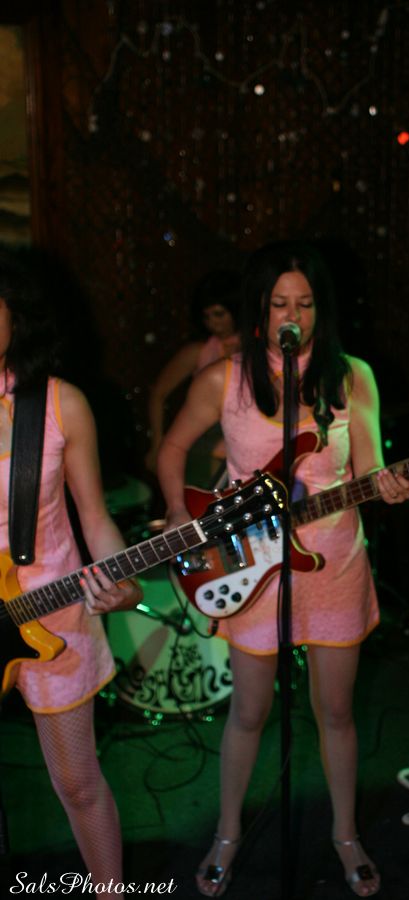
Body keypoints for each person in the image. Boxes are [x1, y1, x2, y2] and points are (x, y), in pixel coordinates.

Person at [157, 240, 409, 897]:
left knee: (336, 711)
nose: (292, 316)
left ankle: (346, 834)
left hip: (334, 562)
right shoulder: (225, 378)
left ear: (322, 309)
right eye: (279, 304)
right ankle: (227, 833)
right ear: (259, 310)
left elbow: (370, 465)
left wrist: (386, 485)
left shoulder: (352, 375)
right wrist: (182, 515)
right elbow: (174, 447)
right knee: (248, 711)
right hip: (251, 565)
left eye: (304, 302)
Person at [0, 246, 142, 898]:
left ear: (16, 315)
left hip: (54, 613)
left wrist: (120, 581)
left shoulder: (61, 405)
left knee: (78, 784)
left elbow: (95, 518)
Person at [145, 269, 241, 484]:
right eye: (207, 317)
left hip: (244, 442)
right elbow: (158, 393)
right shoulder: (199, 351)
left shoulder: (257, 348)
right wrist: (157, 443)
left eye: (219, 314)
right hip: (204, 442)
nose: (213, 323)